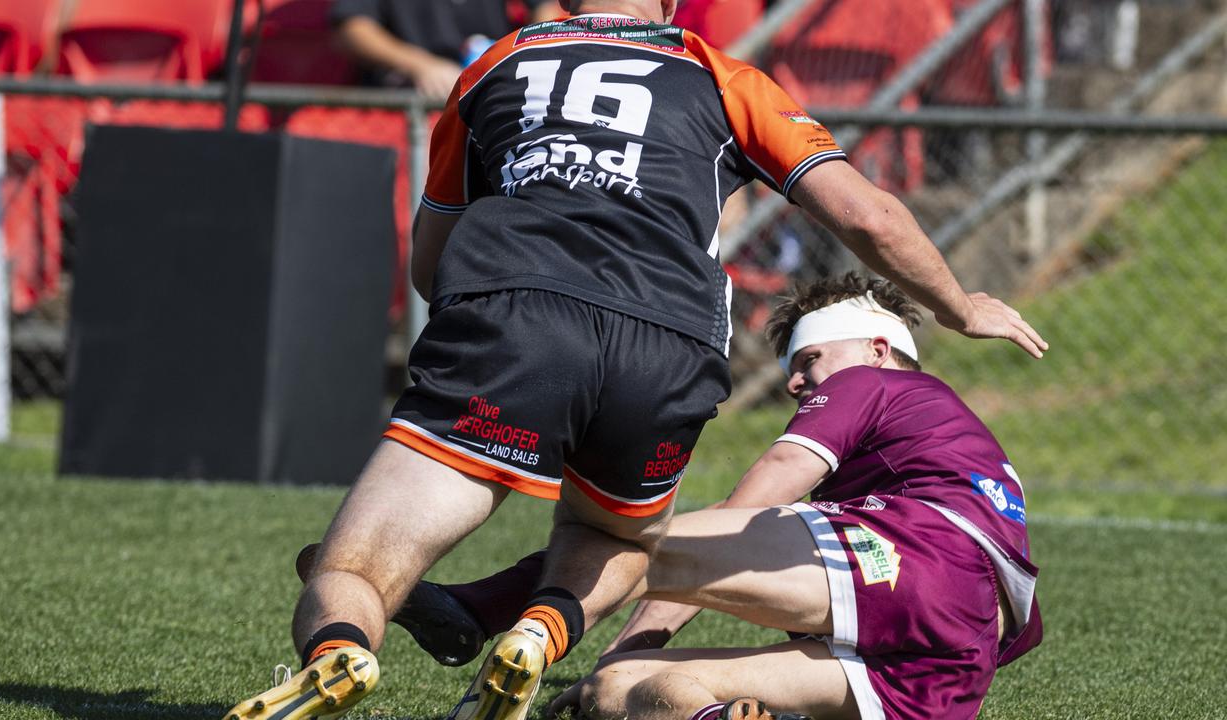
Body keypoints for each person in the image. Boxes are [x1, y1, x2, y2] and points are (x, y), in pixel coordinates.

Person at [221, 0, 1047, 717]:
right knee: (613, 536)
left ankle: (339, 652)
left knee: (353, 566)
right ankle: (536, 637)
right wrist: (960, 306)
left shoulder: (499, 63)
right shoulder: (721, 74)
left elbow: (430, 262)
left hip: (517, 309)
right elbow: (869, 217)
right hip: (672, 340)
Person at [541, 273, 1042, 720]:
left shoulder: (869, 382)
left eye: (809, 359)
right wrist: (618, 663)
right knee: (618, 687)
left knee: (617, 541)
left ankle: (483, 608)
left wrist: (538, 601)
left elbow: (741, 516)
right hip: (945, 669)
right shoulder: (928, 440)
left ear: (878, 348)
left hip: (924, 572)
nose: (795, 382)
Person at [329, 0, 560, 98]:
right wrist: (420, 65)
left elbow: (545, 10)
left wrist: (522, 56)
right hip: (412, 103)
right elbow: (352, 27)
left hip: (490, 92)